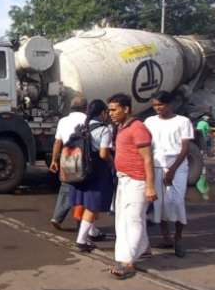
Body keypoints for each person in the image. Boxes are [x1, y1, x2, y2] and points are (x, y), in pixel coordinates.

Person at [108, 93, 157, 279]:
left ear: (126, 109)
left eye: (114, 109)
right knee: (123, 219)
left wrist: (150, 186)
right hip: (124, 180)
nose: (111, 113)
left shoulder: (138, 128)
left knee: (133, 219)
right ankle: (143, 249)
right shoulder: (121, 127)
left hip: (137, 181)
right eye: (109, 110)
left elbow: (148, 158)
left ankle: (127, 262)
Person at [144, 91, 194, 258]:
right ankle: (166, 238)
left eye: (160, 105)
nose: (158, 108)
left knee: (177, 201)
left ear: (169, 104)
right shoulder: (149, 122)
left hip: (177, 166)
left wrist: (172, 170)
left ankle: (178, 238)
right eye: (155, 105)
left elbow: (185, 148)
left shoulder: (183, 121)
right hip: (156, 165)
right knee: (160, 203)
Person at [69, 100, 115, 252]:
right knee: (93, 205)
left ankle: (92, 232)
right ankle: (81, 240)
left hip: (82, 170)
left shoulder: (82, 127)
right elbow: (103, 153)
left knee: (88, 202)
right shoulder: (104, 129)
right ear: (102, 113)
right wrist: (113, 163)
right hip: (97, 170)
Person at [49, 97, 88, 230]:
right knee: (83, 187)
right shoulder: (87, 120)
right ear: (86, 107)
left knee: (66, 186)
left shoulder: (63, 121)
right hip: (82, 157)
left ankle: (57, 217)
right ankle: (80, 222)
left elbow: (57, 142)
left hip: (66, 155)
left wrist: (54, 160)